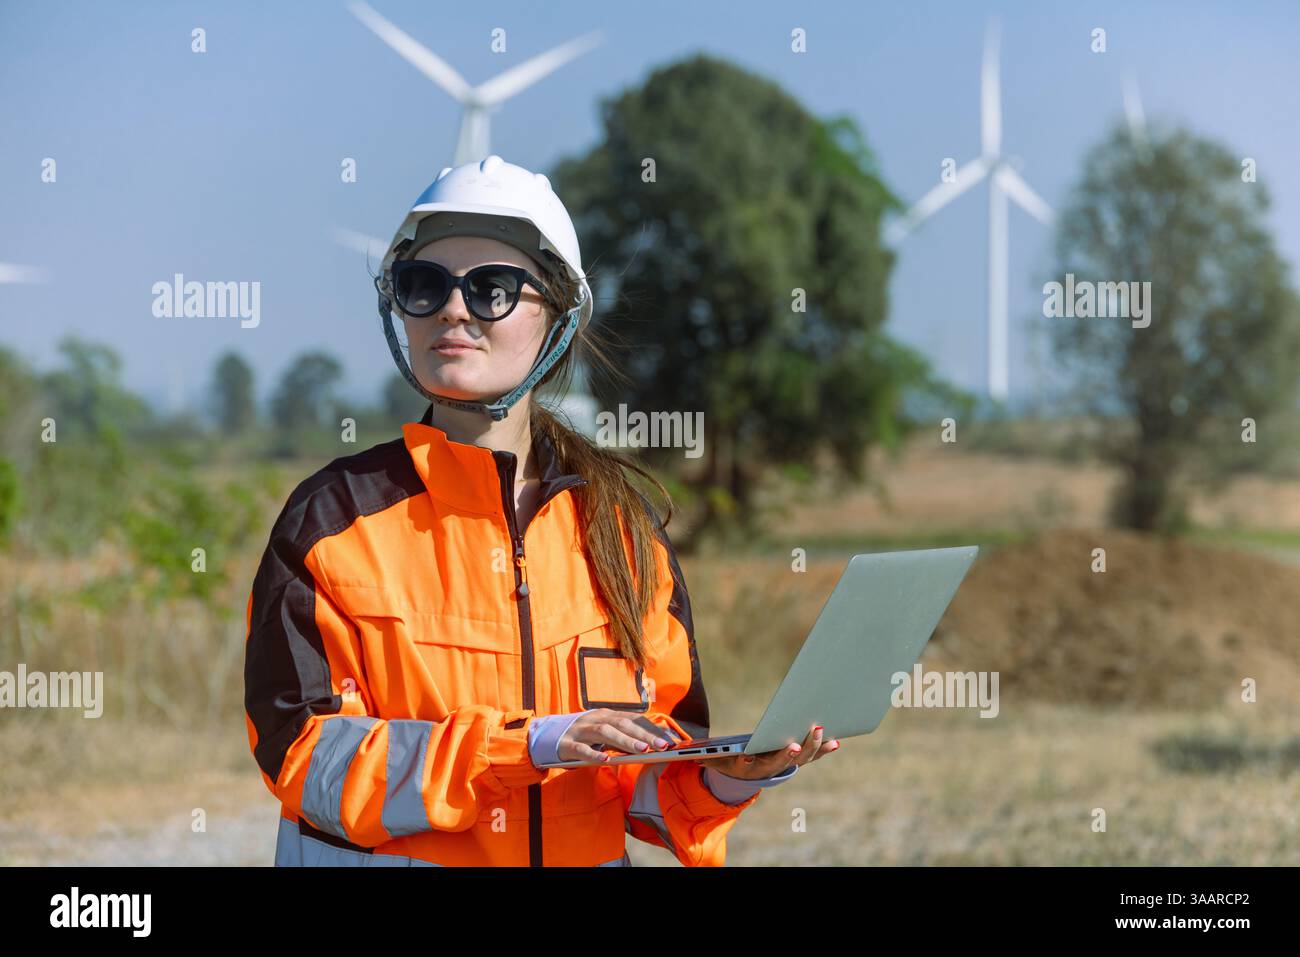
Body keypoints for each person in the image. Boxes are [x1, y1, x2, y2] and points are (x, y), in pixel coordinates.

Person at [242, 155, 838, 867]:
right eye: (422, 286)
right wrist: (522, 744)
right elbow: (307, 759)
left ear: (558, 314)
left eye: (491, 288)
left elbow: (644, 780)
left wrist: (727, 777)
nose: (453, 310)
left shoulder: (621, 530)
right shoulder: (333, 522)